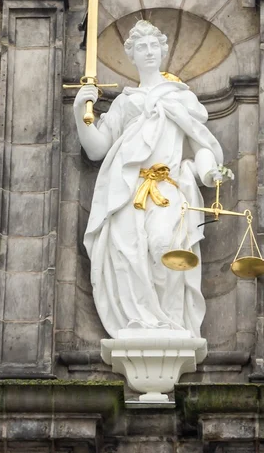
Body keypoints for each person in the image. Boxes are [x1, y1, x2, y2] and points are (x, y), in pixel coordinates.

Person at [74, 20, 224, 339]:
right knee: (128, 255)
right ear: (132, 55)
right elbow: (97, 148)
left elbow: (202, 144)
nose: (149, 51)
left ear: (163, 50)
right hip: (126, 191)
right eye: (141, 47)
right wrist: (79, 111)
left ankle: (171, 320)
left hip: (167, 188)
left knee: (164, 244)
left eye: (154, 45)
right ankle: (140, 321)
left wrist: (210, 172)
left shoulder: (179, 99)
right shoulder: (125, 102)